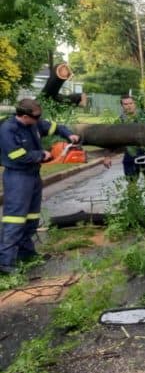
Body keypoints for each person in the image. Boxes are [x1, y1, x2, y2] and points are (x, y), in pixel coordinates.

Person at [0, 98, 80, 274]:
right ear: (24, 116)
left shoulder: (34, 124)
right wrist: (40, 154)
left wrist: (68, 134)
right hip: (17, 177)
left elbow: (54, 127)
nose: (39, 120)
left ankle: (26, 254)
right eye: (36, 117)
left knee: (31, 216)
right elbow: (16, 155)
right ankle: (5, 262)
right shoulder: (8, 130)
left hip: (33, 175)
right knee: (15, 218)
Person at [102, 95, 145, 178]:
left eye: (131, 103)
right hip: (130, 155)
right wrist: (107, 156)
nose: (129, 106)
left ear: (135, 104)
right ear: (122, 106)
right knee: (131, 185)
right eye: (125, 104)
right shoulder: (120, 121)